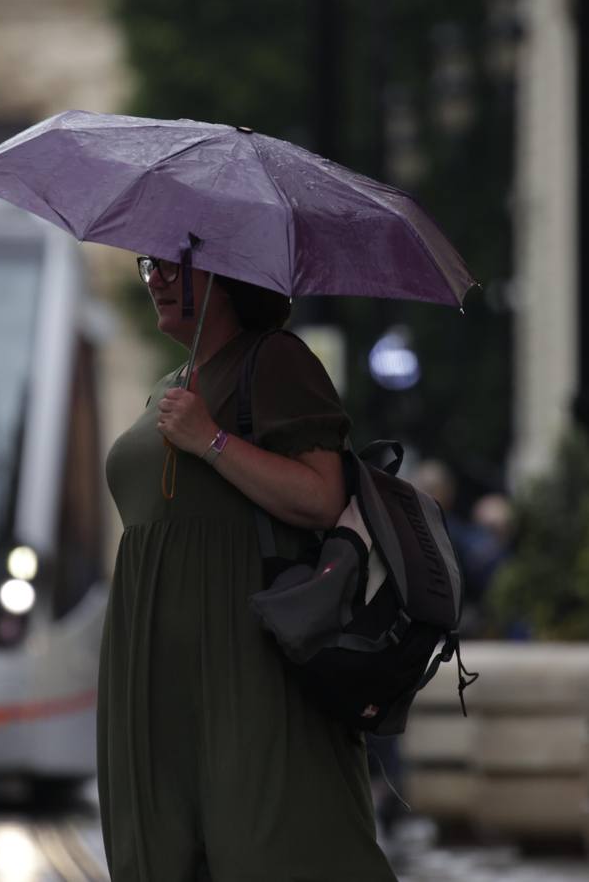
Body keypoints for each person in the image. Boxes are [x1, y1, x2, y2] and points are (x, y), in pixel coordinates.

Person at [98, 257, 396, 881]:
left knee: (267, 847)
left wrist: (210, 440)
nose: (154, 278)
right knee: (165, 852)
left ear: (228, 273)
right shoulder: (172, 381)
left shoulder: (274, 361)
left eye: (174, 264)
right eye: (149, 264)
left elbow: (321, 495)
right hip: (159, 673)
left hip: (242, 661)